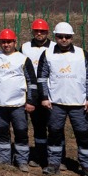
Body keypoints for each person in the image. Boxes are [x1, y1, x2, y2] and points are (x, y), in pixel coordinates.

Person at [37, 22, 88, 176]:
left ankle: (87, 167)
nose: (64, 39)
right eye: (60, 36)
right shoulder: (48, 54)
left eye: (67, 37)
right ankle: (53, 164)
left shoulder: (82, 54)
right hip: (56, 103)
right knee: (54, 134)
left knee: (83, 135)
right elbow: (42, 78)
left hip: (79, 104)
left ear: (72, 37)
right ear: (55, 37)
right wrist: (44, 97)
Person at [0, 29, 37, 170]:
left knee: (21, 132)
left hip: (18, 104)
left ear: (15, 42)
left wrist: (31, 101)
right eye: (3, 42)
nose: (6, 45)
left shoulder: (23, 59)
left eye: (9, 42)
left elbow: (32, 82)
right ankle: (4, 159)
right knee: (1, 132)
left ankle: (22, 160)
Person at [22, 19, 53, 166]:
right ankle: (40, 155)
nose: (39, 34)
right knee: (38, 125)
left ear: (47, 32)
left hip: (50, 93)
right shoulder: (25, 47)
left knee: (54, 127)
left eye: (42, 31)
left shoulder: (54, 47)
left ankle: (57, 157)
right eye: (36, 31)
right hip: (33, 93)